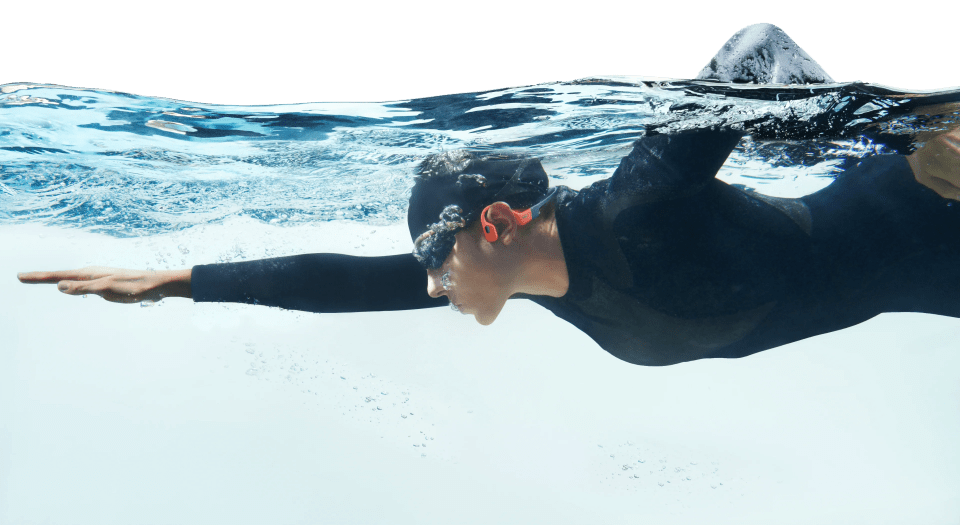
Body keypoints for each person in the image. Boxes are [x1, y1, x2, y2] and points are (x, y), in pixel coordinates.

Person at [16, 25, 960, 366]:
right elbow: (339, 281)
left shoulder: (635, 205)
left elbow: (753, 53)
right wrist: (175, 281)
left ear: (497, 224)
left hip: (929, 202)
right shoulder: (535, 279)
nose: (426, 280)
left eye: (433, 252)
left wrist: (907, 129)